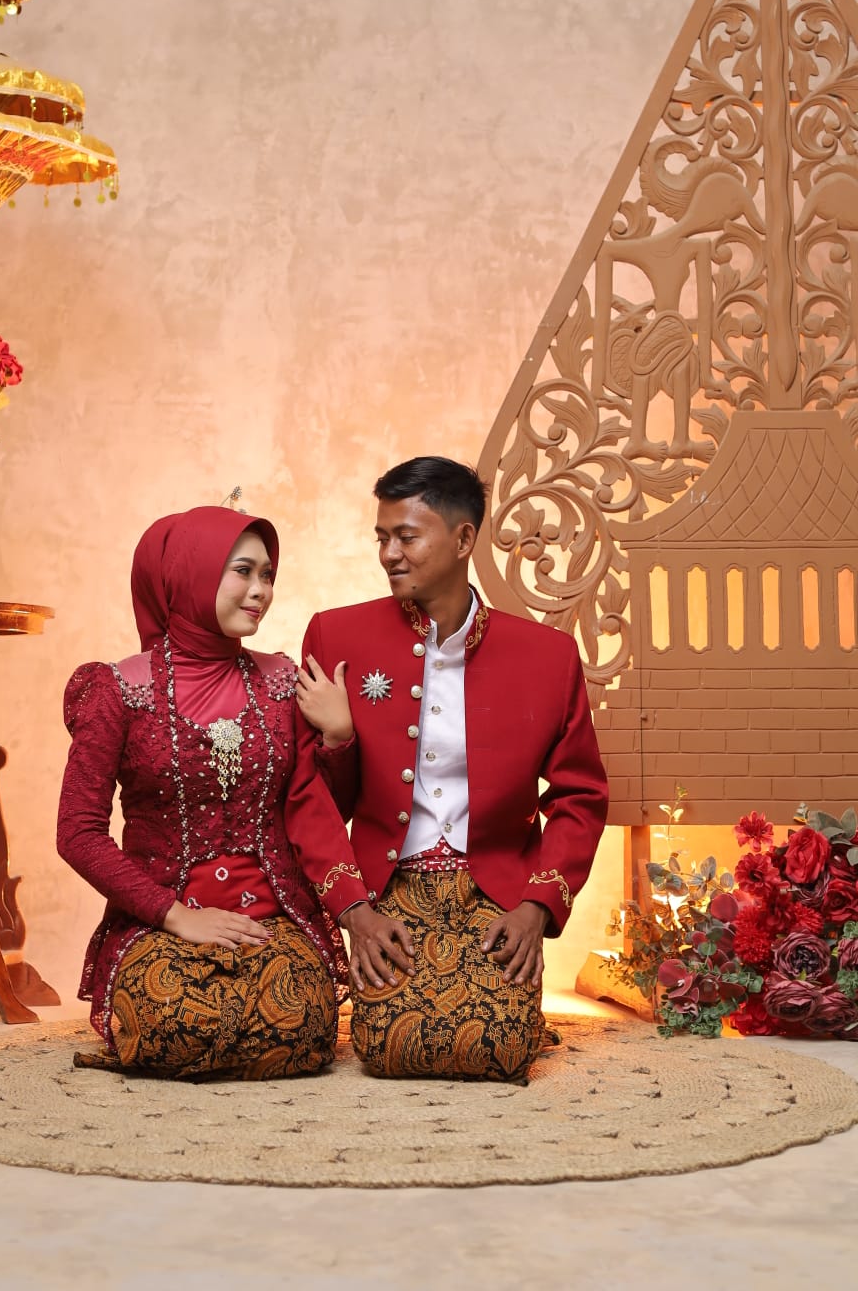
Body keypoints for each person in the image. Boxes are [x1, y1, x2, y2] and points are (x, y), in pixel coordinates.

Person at [295, 456, 609, 1082]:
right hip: (387, 888)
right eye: (381, 537)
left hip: (496, 890)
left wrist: (537, 906)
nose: (389, 554)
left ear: (464, 539)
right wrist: (355, 912)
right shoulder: (336, 636)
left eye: (406, 536)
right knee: (389, 1048)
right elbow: (306, 793)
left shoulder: (547, 656)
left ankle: (515, 1005)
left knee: (501, 1048)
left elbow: (580, 795)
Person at [57, 505, 371, 1079]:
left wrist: (339, 737)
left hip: (271, 917)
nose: (261, 591)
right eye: (243, 571)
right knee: (174, 1023)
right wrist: (176, 915)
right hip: (161, 919)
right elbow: (78, 833)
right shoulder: (118, 688)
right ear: (189, 575)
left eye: (268, 575)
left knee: (299, 1023)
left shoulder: (283, 682)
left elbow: (324, 810)